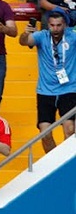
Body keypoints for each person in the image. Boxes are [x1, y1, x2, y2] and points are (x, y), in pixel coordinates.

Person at [19, 11, 76, 153]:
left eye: (59, 25)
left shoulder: (72, 36)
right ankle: (55, 165)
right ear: (48, 25)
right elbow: (24, 42)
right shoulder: (42, 36)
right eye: (52, 25)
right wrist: (25, 33)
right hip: (45, 91)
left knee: (69, 130)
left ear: (65, 25)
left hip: (69, 89)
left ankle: (68, 166)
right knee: (45, 134)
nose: (55, 29)